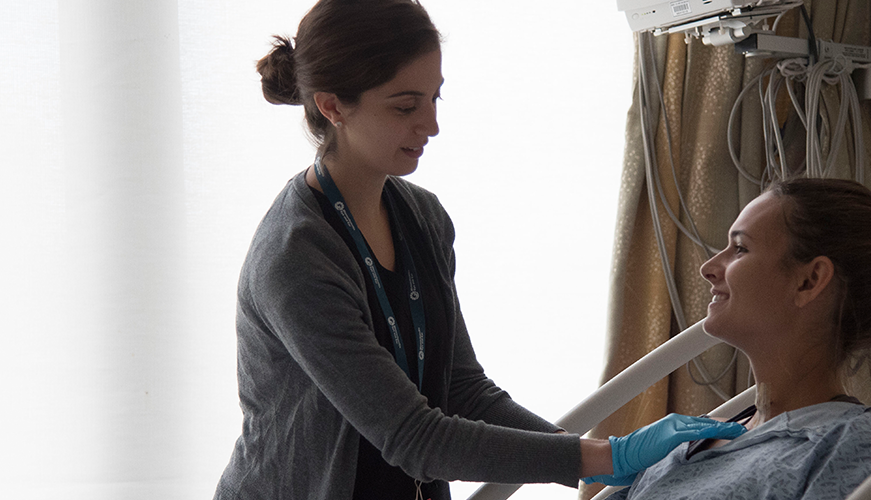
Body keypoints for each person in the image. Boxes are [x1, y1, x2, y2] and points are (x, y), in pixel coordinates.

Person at [212, 1, 745, 499]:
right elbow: (414, 437)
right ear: (333, 107)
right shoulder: (297, 258)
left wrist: (589, 462)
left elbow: (462, 390)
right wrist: (603, 456)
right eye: (405, 106)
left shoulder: (422, 219)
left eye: (434, 97)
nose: (432, 126)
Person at [606, 178, 871, 499]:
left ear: (809, 281)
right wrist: (590, 455)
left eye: (740, 248)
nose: (708, 268)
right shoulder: (694, 441)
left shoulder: (858, 446)